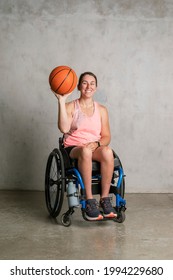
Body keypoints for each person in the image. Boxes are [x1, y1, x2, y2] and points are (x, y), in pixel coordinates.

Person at [53, 72, 117, 221]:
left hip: (93, 147)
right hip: (74, 148)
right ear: (78, 86)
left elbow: (107, 136)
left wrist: (98, 144)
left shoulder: (102, 110)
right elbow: (63, 128)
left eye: (92, 83)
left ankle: (105, 199)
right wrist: (61, 101)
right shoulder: (71, 106)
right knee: (85, 152)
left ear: (96, 87)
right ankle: (89, 200)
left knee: (108, 152)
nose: (89, 86)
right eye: (84, 83)